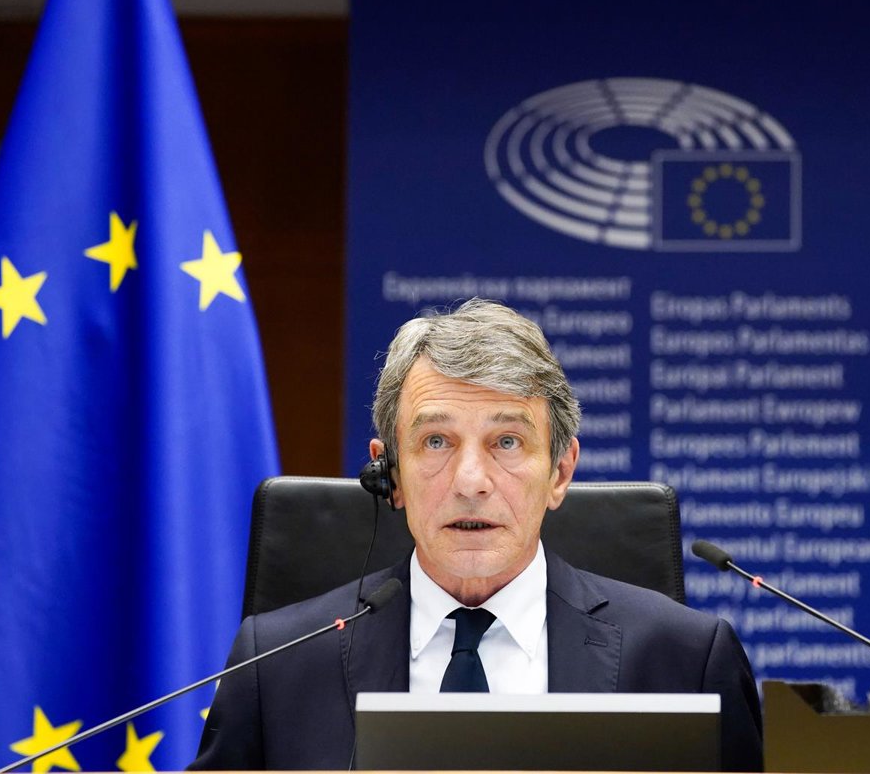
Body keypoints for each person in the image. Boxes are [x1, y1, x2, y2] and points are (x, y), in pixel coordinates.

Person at [190, 298, 763, 771]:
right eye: (436, 441)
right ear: (391, 475)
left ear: (560, 472)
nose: (470, 482)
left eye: (507, 442)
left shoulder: (685, 660)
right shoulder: (277, 664)